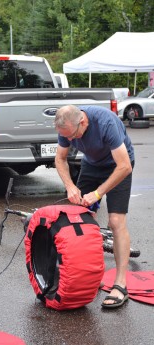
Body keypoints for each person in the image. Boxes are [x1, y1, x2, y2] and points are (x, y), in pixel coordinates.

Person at [54, 104, 134, 309]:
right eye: (66, 138)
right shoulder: (67, 126)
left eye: (72, 136)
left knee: (116, 222)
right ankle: (90, 274)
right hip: (92, 165)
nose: (70, 141)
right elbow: (60, 158)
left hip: (119, 166)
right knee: (81, 216)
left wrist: (98, 193)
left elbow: (124, 166)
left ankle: (120, 284)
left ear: (83, 121)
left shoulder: (105, 123)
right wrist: (70, 186)